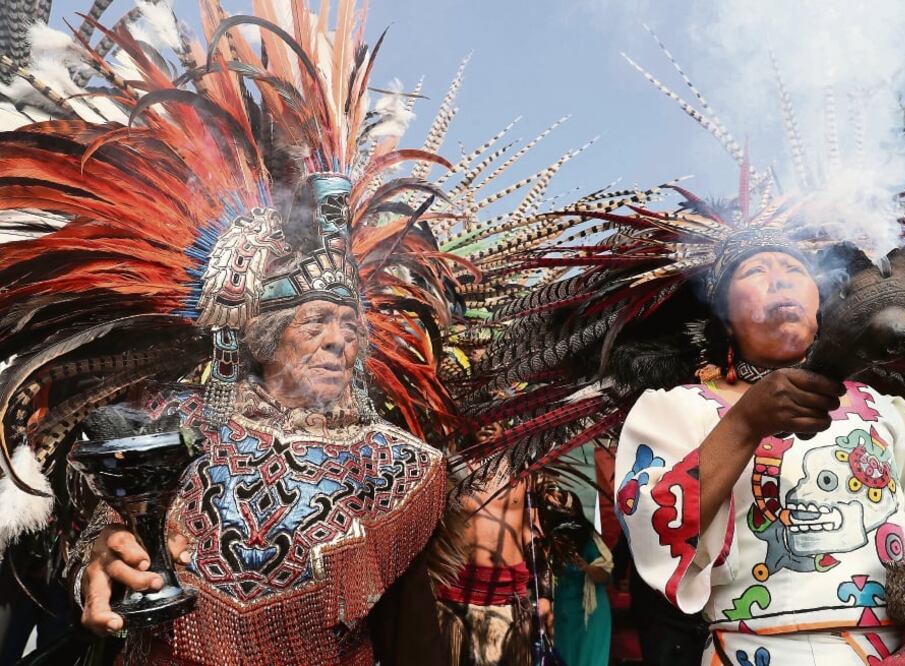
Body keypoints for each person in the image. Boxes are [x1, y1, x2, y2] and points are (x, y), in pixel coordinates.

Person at [0, 2, 472, 663]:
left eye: (348, 323)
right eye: (317, 322)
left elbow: (412, 639)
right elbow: (99, 529)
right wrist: (98, 560)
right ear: (260, 335)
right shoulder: (165, 420)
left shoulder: (397, 468)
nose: (340, 340)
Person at [615, 230, 905, 664]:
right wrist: (747, 422)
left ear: (821, 304)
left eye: (794, 270)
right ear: (725, 315)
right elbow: (652, 520)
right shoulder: (674, 409)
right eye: (755, 271)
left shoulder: (887, 411)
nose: (780, 279)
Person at [435, 464, 554, 666]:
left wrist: (544, 593)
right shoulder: (449, 466)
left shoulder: (524, 472)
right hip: (453, 595)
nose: (486, 429)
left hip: (507, 599)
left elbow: (532, 530)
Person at [540, 485, 613, 666]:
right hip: (563, 614)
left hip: (589, 614)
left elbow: (605, 575)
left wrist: (586, 567)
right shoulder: (549, 541)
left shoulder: (588, 539)